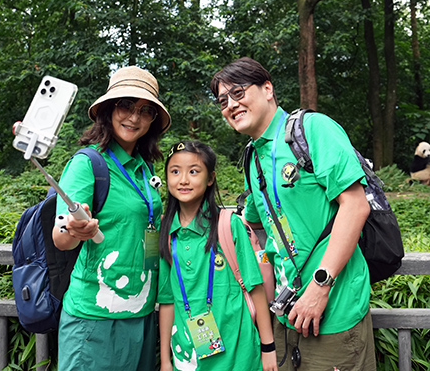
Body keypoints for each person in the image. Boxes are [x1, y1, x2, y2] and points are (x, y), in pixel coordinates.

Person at [210, 57, 376, 371]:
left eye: (238, 93)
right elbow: (254, 222)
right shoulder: (253, 157)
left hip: (334, 312)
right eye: (222, 101)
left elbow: (356, 206)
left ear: (267, 89)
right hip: (286, 315)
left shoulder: (312, 130)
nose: (230, 104)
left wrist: (320, 287)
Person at [52, 66, 171, 371]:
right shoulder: (87, 163)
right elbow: (61, 237)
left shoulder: (145, 168)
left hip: (142, 312)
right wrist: (75, 230)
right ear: (108, 109)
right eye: (126, 105)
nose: (134, 117)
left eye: (145, 111)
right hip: (94, 318)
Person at [157, 140, 278, 371]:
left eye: (194, 171)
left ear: (210, 178)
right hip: (187, 358)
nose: (183, 180)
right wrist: (165, 361)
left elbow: (255, 288)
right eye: (175, 171)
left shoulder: (228, 225)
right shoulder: (167, 232)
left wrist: (268, 347)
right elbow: (167, 301)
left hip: (239, 356)